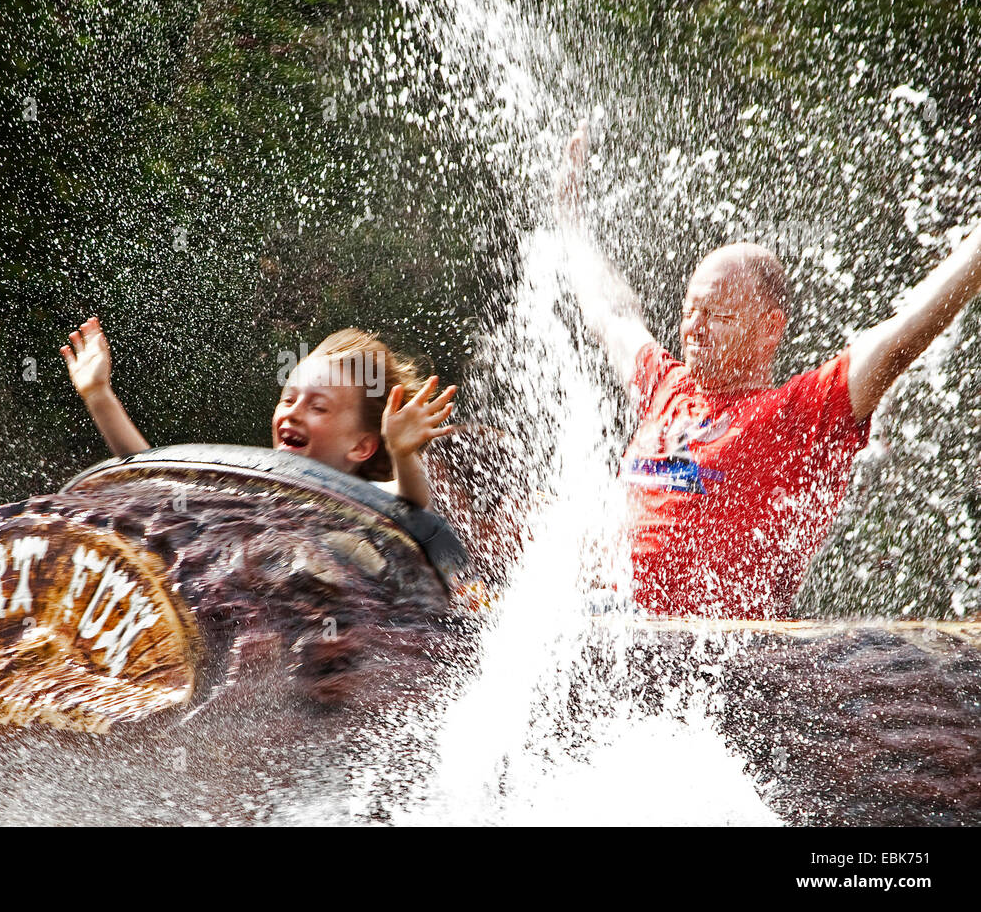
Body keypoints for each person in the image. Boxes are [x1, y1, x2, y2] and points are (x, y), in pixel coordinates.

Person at [555, 121, 981, 618]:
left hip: (723, 659)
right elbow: (612, 314)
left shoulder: (799, 413)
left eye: (718, 314)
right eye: (690, 310)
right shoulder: (665, 384)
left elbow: (898, 342)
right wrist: (571, 228)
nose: (695, 326)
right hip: (614, 624)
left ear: (768, 329)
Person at [61, 318, 457, 509]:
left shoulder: (371, 502)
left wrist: (403, 453)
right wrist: (99, 395)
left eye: (318, 407)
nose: (294, 413)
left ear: (362, 446)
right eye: (288, 399)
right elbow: (157, 480)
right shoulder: (249, 488)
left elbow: (412, 505)